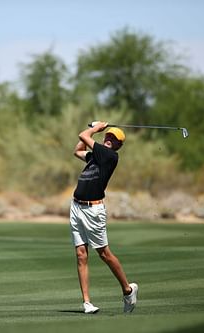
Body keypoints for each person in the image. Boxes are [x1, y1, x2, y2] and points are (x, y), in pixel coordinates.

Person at [69, 121, 138, 314]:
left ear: (118, 146)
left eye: (114, 139)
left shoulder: (109, 156)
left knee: (104, 254)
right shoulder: (96, 157)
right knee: (81, 255)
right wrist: (93, 130)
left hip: (93, 211)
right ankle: (87, 303)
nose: (109, 139)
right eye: (107, 135)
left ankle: (128, 289)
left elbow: (83, 135)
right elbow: (77, 150)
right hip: (76, 207)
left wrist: (95, 128)